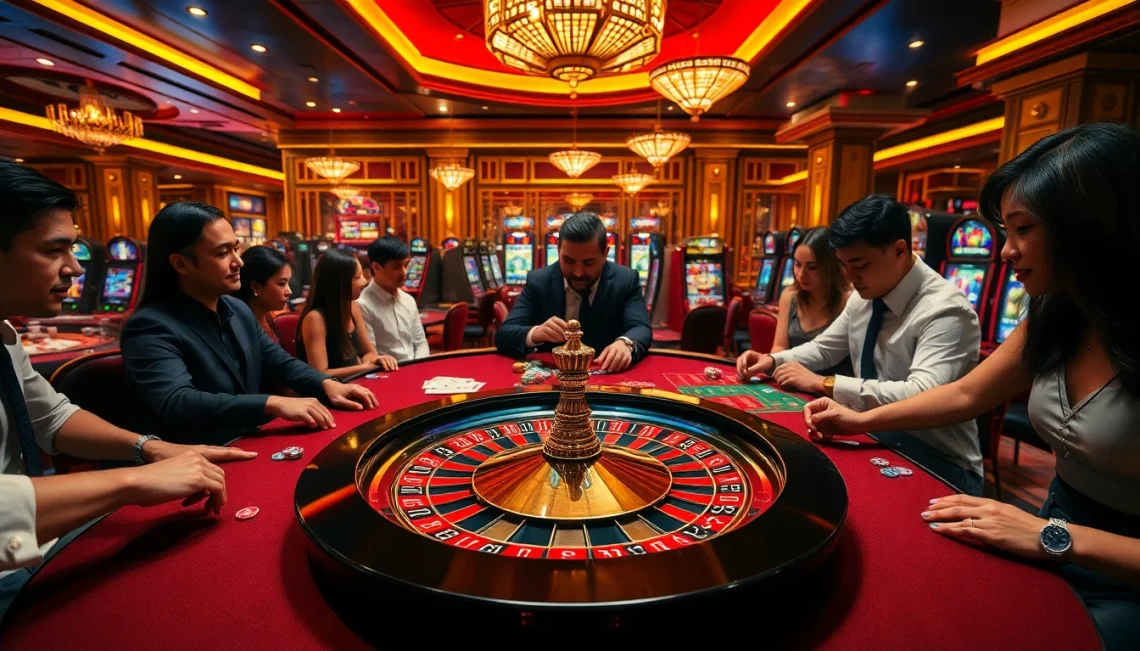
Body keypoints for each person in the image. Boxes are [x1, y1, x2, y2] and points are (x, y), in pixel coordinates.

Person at [802, 123, 1140, 650]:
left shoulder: (950, 307)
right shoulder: (1057, 312)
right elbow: (965, 395)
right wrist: (859, 420)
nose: (1006, 252)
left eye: (1023, 229)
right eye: (1004, 231)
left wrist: (1050, 535)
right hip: (1054, 528)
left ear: (1091, 226)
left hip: (1115, 571)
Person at [0, 162, 253, 619]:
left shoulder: (4, 335)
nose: (76, 267)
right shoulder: (154, 322)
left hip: (44, 541)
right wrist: (132, 480)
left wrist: (149, 448)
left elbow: (51, 417)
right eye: (54, 249)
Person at [736, 194, 983, 495]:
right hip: (877, 436)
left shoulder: (945, 310)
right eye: (843, 265)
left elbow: (922, 394)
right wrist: (773, 360)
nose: (850, 278)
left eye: (860, 265)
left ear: (900, 250)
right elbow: (824, 347)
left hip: (939, 462)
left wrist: (825, 383)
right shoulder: (864, 295)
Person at [120, 202, 378, 446]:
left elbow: (280, 363)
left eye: (236, 248)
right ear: (181, 263)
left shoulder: (237, 309)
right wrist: (271, 403)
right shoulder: (150, 326)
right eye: (223, 253)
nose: (238, 262)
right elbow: (178, 402)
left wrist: (325, 383)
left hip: (247, 443)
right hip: (194, 460)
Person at [495, 212, 651, 371]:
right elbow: (504, 335)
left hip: (607, 378)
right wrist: (536, 333)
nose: (578, 272)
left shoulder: (625, 280)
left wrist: (626, 343)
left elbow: (641, 328)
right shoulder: (539, 281)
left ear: (605, 253)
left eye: (588, 262)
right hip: (551, 382)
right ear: (558, 250)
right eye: (568, 261)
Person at [297, 249, 396, 378]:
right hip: (329, 393)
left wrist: (375, 361)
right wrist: (364, 367)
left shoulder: (352, 306)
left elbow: (369, 352)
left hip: (356, 382)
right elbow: (320, 373)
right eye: (357, 277)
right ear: (338, 283)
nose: (364, 282)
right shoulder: (315, 319)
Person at [771, 226, 853, 376]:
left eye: (812, 267)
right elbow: (779, 346)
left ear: (830, 266)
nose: (801, 274)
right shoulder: (790, 296)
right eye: (797, 264)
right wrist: (770, 362)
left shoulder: (850, 300)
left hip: (832, 391)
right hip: (792, 384)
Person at [357, 236, 429, 363]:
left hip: (415, 368)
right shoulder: (362, 305)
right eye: (397, 267)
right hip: (386, 374)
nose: (404, 272)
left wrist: (418, 368)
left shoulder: (408, 300)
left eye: (406, 265)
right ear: (376, 267)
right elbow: (371, 356)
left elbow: (420, 342)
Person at [234, 245, 292, 346]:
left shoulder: (268, 318)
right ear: (256, 287)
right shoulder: (242, 328)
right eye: (282, 284)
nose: (289, 291)